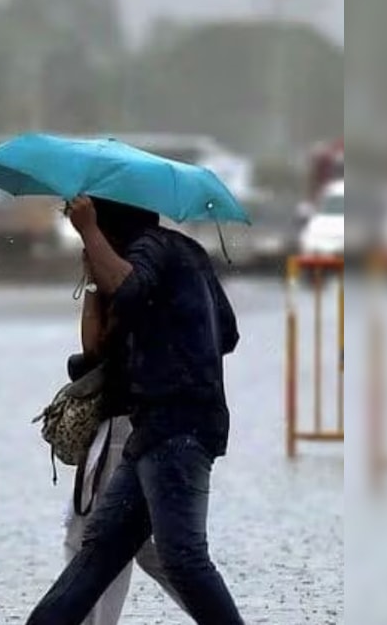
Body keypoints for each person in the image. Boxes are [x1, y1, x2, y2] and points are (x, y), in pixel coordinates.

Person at [27, 196, 243, 625]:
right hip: (156, 430)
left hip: (177, 428)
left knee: (181, 558)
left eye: (93, 219)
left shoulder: (151, 250)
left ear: (109, 220)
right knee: (99, 553)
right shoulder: (179, 255)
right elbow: (227, 332)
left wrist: (88, 230)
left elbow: (129, 287)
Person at [62, 252, 185, 625]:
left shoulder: (123, 265)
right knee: (148, 544)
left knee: (92, 533)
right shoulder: (160, 260)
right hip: (147, 417)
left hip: (122, 422)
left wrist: (93, 282)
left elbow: (95, 346)